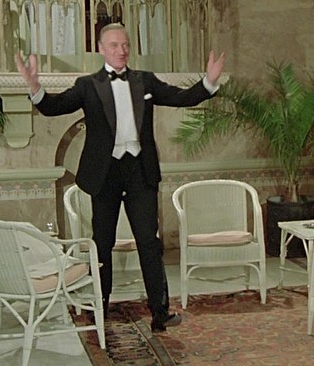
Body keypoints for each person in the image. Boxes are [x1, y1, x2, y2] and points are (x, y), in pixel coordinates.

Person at [15, 23, 226, 332]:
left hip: (140, 171)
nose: (121, 50)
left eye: (125, 44)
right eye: (114, 45)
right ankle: (99, 308)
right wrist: (34, 87)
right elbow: (54, 106)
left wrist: (208, 82)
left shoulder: (145, 80)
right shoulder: (87, 85)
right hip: (105, 174)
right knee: (102, 243)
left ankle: (160, 312)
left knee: (149, 242)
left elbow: (181, 97)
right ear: (101, 49)